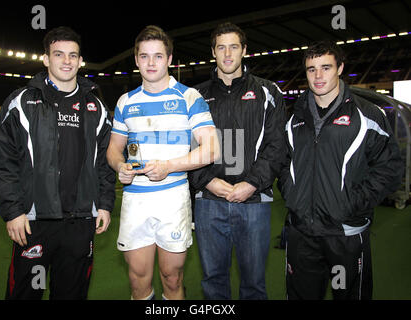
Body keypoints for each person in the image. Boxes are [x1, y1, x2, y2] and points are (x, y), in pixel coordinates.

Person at [0, 26, 116, 300]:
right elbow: (3, 162)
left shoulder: (97, 107)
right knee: (25, 294)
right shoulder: (22, 102)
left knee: (72, 294)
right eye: (59, 54)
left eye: (73, 55)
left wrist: (104, 204)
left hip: (81, 223)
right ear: (46, 58)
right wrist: (12, 211)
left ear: (81, 61)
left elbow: (106, 163)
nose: (67, 61)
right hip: (34, 222)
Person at [277, 40, 403, 300]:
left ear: (340, 68)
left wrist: (352, 204)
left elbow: (390, 167)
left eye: (326, 67)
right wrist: (291, 194)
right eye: (311, 69)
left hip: (344, 235)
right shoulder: (295, 117)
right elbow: (282, 162)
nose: (318, 76)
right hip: (302, 234)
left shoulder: (367, 115)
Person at [106, 25, 219, 300]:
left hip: (173, 199)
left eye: (158, 56)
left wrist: (168, 166)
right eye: (144, 56)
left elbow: (212, 149)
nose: (151, 62)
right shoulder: (125, 101)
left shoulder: (189, 97)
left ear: (169, 59)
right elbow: (113, 149)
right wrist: (119, 166)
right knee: (138, 281)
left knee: (172, 278)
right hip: (136, 202)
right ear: (136, 60)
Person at [188, 22, 286, 300]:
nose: (228, 54)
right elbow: (188, 146)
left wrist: (251, 184)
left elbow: (276, 146)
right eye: (221, 47)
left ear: (244, 50)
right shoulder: (195, 96)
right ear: (213, 52)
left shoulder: (269, 93)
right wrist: (208, 181)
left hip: (254, 202)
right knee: (213, 281)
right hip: (209, 202)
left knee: (253, 283)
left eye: (234, 47)